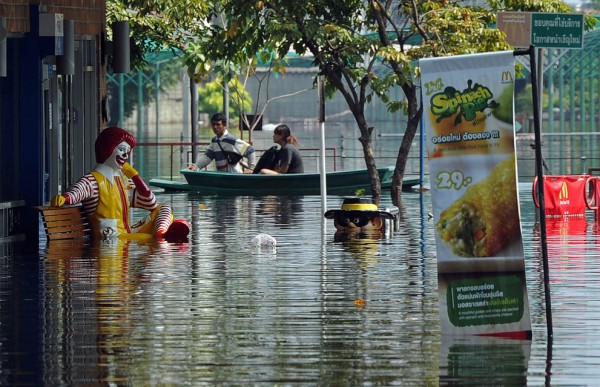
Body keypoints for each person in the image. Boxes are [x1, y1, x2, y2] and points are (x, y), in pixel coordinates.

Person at [50, 126, 190, 242]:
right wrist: (65, 198)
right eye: (121, 149)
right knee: (148, 239)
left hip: (126, 232)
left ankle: (161, 233)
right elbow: (79, 190)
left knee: (163, 208)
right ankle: (162, 238)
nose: (125, 155)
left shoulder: (123, 180)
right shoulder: (93, 180)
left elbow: (151, 204)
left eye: (128, 152)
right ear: (107, 149)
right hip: (110, 237)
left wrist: (135, 175)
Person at [187, 113, 256, 173]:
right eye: (213, 124)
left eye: (218, 124)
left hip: (234, 175)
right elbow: (208, 157)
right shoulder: (214, 140)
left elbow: (250, 150)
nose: (215, 127)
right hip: (222, 175)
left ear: (224, 125)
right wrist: (196, 166)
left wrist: (251, 168)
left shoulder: (231, 140)